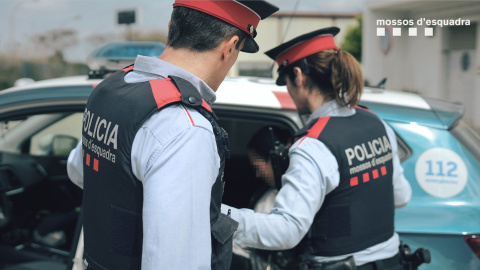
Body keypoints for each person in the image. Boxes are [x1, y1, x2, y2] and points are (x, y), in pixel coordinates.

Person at [66, 1, 278, 269]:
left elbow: (78, 171)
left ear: (171, 27)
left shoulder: (108, 91)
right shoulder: (186, 127)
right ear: (229, 47)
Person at [221, 27, 412, 270]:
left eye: (286, 82)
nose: (288, 91)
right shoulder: (376, 123)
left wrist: (217, 217)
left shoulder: (313, 146)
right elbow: (401, 196)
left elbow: (286, 231)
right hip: (392, 262)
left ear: (298, 76)